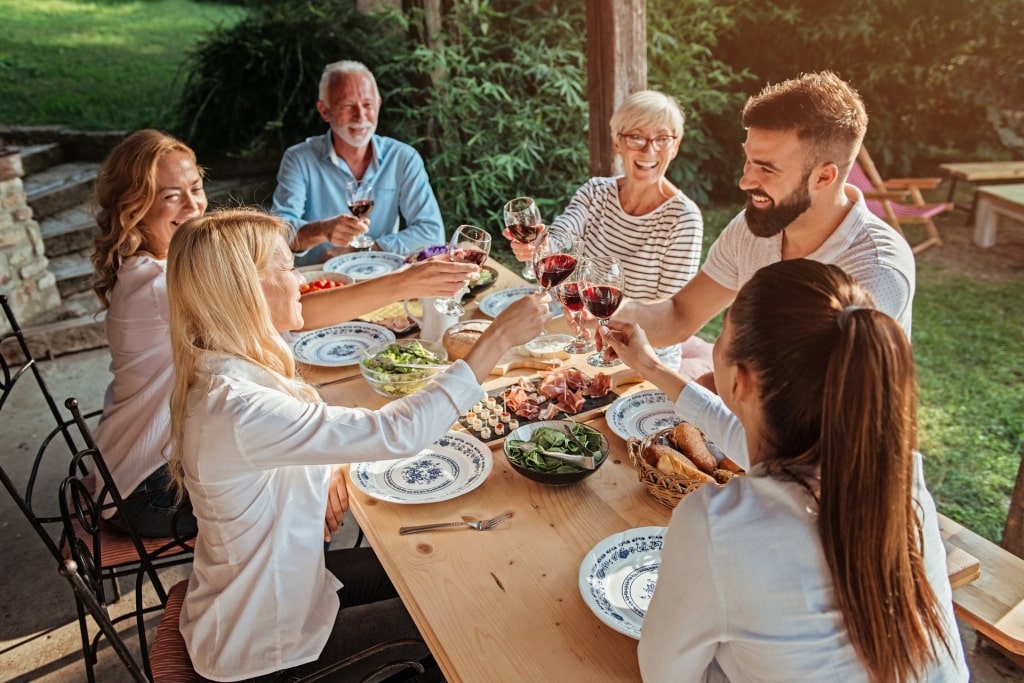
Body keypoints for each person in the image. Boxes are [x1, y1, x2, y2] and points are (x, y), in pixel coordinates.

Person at [164, 208, 549, 682]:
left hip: (280, 592)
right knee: (459, 610)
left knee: (423, 563)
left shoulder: (230, 360)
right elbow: (397, 433)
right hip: (264, 650)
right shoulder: (238, 406)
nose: (298, 282)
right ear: (247, 291)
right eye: (287, 269)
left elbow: (298, 433)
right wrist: (498, 338)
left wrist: (326, 466)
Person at [89, 129, 475, 538]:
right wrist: (403, 282)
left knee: (330, 456)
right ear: (133, 205)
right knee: (333, 481)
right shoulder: (158, 285)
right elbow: (292, 315)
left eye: (196, 188)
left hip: (165, 458)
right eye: (171, 196)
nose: (193, 205)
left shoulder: (166, 264)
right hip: (147, 485)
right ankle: (317, 590)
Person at [600, 259, 967, 682]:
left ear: (740, 380)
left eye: (722, 334)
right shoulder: (901, 480)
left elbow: (667, 675)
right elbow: (757, 445)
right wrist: (651, 367)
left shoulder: (718, 527)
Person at [609, 71, 916, 379]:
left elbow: (806, 407)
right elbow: (680, 315)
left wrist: (694, 388)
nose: (745, 181)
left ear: (824, 177)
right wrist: (604, 310)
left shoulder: (876, 272)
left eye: (766, 169)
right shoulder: (752, 227)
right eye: (749, 161)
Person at [508, 90, 703, 370]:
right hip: (583, 341)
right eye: (636, 136)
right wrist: (539, 245)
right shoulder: (596, 191)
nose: (649, 150)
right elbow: (562, 236)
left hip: (643, 359)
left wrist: (606, 319)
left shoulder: (684, 219)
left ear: (675, 146)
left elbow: (668, 314)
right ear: (617, 142)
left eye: (662, 139)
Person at [273, 60, 445, 265]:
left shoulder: (403, 158)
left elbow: (432, 233)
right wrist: (321, 230)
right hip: (319, 283)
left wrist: (364, 249)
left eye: (368, 105)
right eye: (347, 105)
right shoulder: (298, 159)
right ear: (324, 111)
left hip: (382, 279)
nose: (361, 116)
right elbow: (276, 235)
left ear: (378, 105)